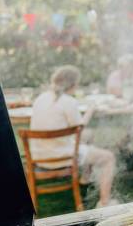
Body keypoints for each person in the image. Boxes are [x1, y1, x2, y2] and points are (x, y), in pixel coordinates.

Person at [30, 65, 117, 208]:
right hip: (62, 157)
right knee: (109, 157)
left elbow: (77, 132)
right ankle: (105, 202)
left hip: (39, 157)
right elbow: (79, 128)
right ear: (73, 84)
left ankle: (85, 179)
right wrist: (91, 110)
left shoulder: (40, 98)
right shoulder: (68, 101)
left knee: (89, 136)